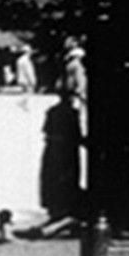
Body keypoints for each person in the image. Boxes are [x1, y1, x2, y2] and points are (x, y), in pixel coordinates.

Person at [40, 91, 83, 223]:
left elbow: (45, 130)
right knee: (66, 180)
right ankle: (65, 209)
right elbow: (76, 134)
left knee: (52, 180)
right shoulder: (72, 113)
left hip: (53, 150)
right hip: (67, 151)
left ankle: (55, 209)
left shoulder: (52, 111)